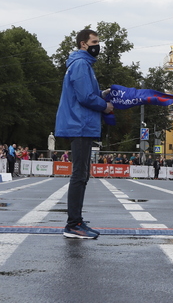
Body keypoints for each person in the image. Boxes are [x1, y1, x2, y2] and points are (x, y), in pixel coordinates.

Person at [55, 28, 114, 239]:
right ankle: (73, 224)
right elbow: (85, 97)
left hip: (82, 123)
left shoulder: (82, 64)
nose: (98, 45)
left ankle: (76, 220)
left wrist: (103, 94)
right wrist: (105, 105)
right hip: (80, 123)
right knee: (79, 175)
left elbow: (89, 94)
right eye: (95, 41)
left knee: (82, 174)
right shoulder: (80, 64)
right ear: (83, 44)